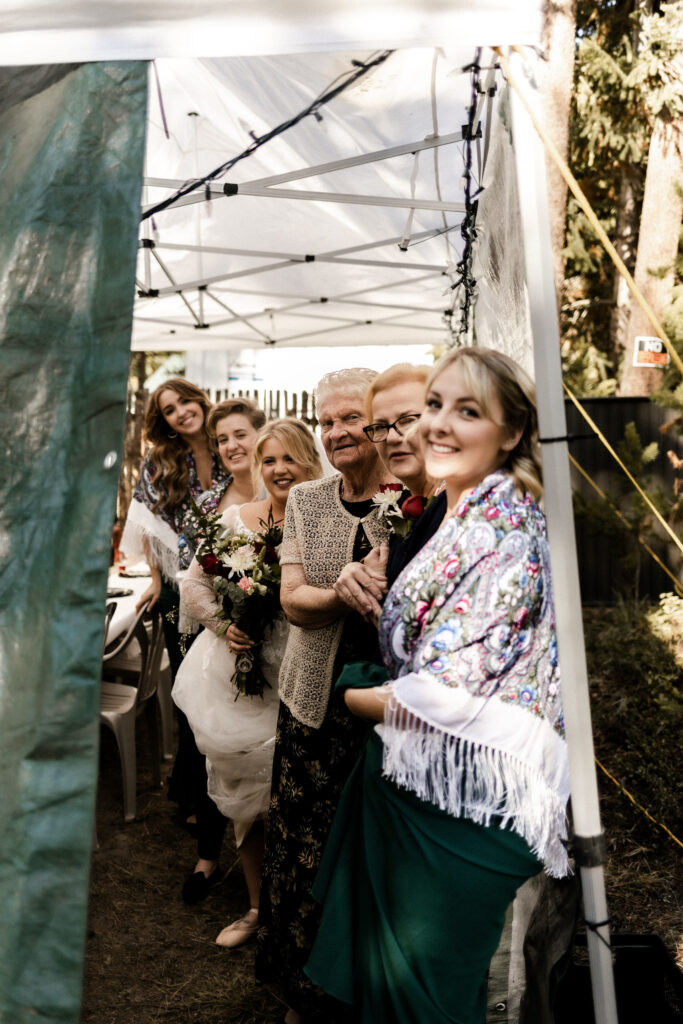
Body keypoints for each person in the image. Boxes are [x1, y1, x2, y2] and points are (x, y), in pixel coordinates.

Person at [305, 346, 571, 1024]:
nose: (435, 425)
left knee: (429, 1000)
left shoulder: (507, 524)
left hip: (466, 803)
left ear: (512, 432)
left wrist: (352, 695)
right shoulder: (452, 507)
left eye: (467, 410)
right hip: (426, 787)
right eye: (433, 407)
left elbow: (438, 700)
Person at [255, 368, 395, 1024]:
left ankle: (364, 986)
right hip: (315, 708)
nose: (338, 432)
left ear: (379, 423)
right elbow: (293, 603)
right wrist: (341, 585)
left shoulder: (410, 498)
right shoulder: (309, 501)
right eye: (327, 421)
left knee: (371, 852)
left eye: (351, 418)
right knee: (302, 849)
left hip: (389, 713)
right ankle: (300, 991)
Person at [174, 418, 322, 947]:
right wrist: (224, 625)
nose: (279, 470)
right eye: (269, 461)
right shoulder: (238, 518)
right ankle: (257, 909)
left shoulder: (325, 518)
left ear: (310, 460)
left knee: (298, 798)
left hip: (306, 672)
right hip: (248, 676)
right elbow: (193, 580)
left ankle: (302, 912)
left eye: (290, 458)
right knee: (247, 796)